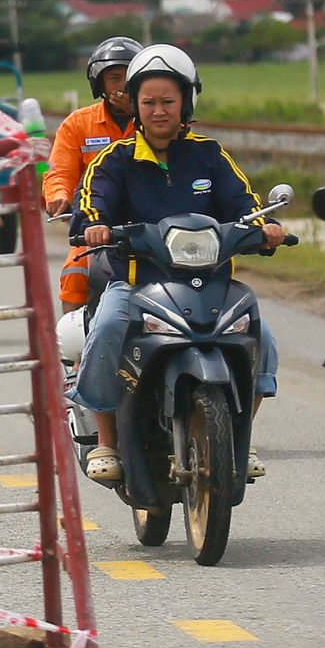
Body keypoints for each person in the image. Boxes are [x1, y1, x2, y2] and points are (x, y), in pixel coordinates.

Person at [67, 45, 284, 482]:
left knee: (263, 338)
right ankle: (106, 441)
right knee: (106, 328)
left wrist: (267, 226)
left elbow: (245, 205)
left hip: (212, 285)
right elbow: (90, 201)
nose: (159, 110)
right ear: (135, 105)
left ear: (186, 102)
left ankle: (239, 436)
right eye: (148, 101)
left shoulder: (211, 156)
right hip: (135, 285)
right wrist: (94, 225)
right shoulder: (115, 159)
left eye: (168, 100)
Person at [46, 35, 141, 312]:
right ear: (99, 84)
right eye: (113, 78)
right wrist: (58, 196)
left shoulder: (158, 121)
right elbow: (60, 171)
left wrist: (139, 114)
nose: (122, 85)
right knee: (76, 270)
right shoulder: (78, 124)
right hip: (97, 224)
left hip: (153, 220)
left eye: (129, 76)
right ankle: (75, 338)